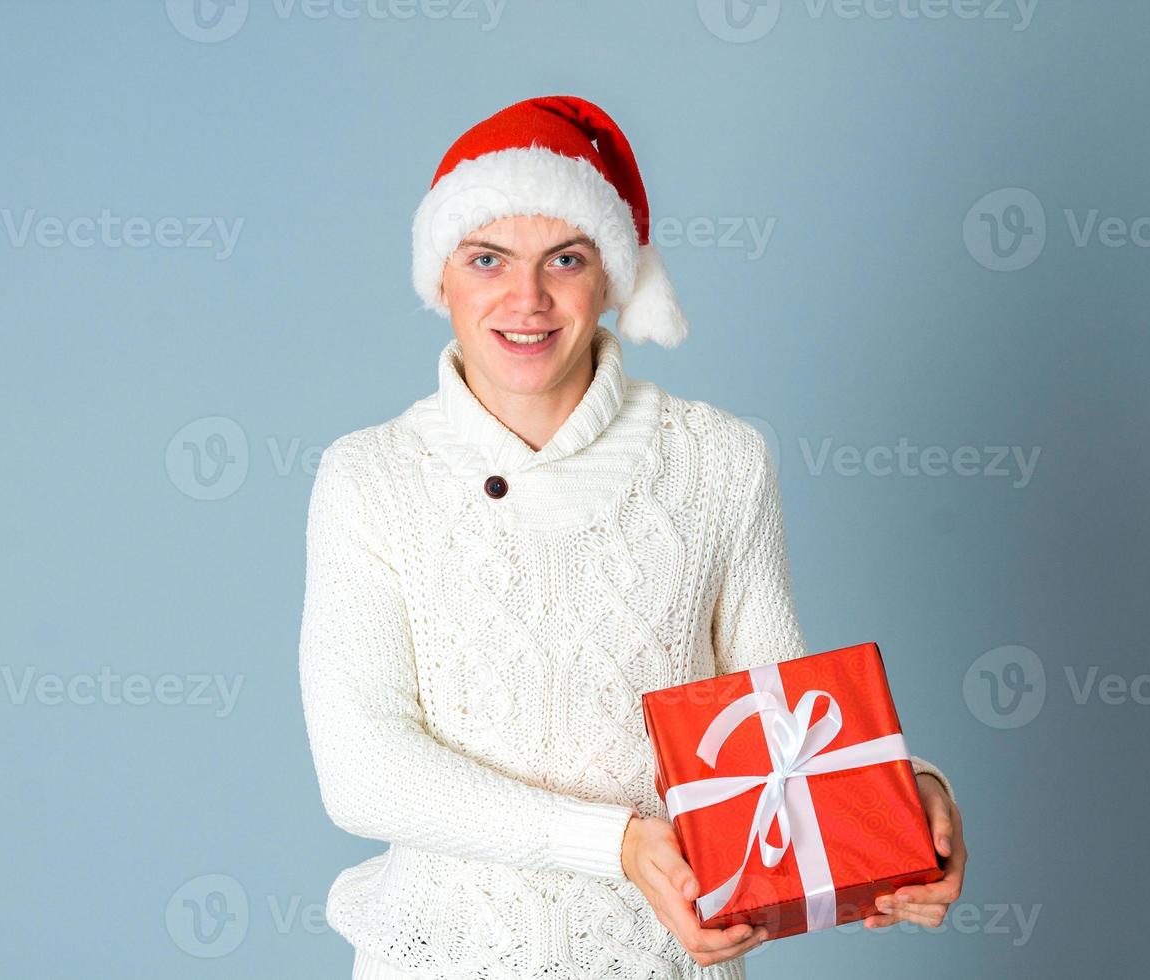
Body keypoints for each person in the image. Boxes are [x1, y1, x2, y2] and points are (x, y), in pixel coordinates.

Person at [297, 95, 968, 980]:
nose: (525, 299)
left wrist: (901, 795)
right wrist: (614, 844)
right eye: (487, 258)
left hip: (663, 961)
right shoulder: (370, 478)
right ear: (441, 280)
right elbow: (364, 769)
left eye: (564, 260)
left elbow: (778, 722)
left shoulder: (719, 461)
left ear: (611, 277)